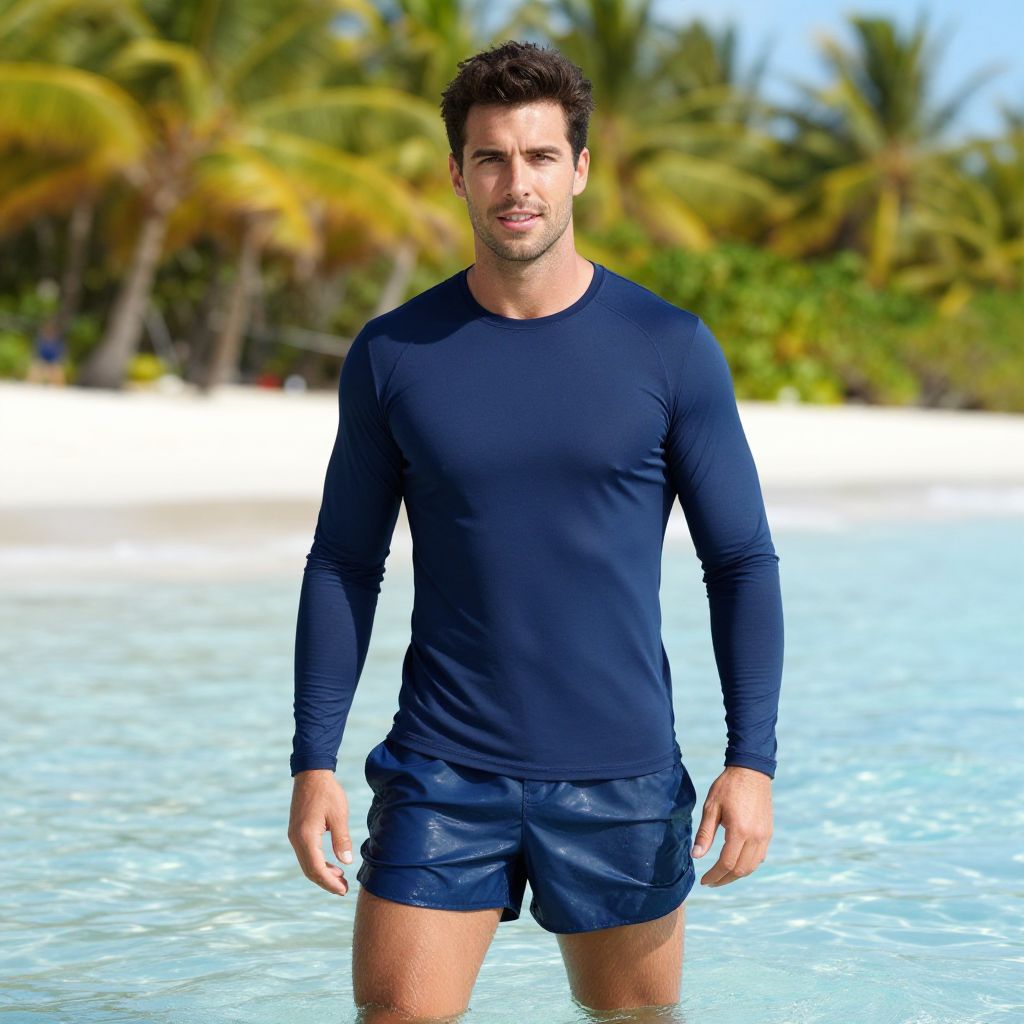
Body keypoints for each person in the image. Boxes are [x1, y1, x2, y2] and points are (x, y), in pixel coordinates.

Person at [287, 40, 784, 1022]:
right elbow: (345, 562)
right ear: (457, 173)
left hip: (622, 774)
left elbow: (739, 561)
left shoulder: (668, 347)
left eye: (541, 156)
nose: (518, 184)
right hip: (442, 766)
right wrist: (312, 759)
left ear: (580, 168)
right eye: (492, 159)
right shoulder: (394, 354)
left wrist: (751, 760)